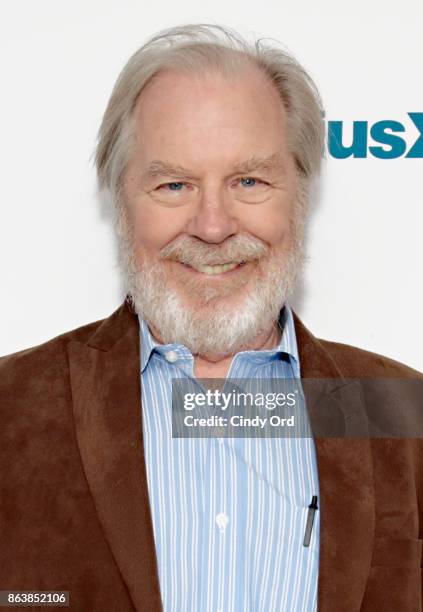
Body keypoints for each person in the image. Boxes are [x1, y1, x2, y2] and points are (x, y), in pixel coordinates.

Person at [0, 23, 421, 612]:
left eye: (249, 181)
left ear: (298, 194)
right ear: (121, 201)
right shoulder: (13, 409)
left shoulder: (402, 413)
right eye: (174, 185)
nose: (214, 226)